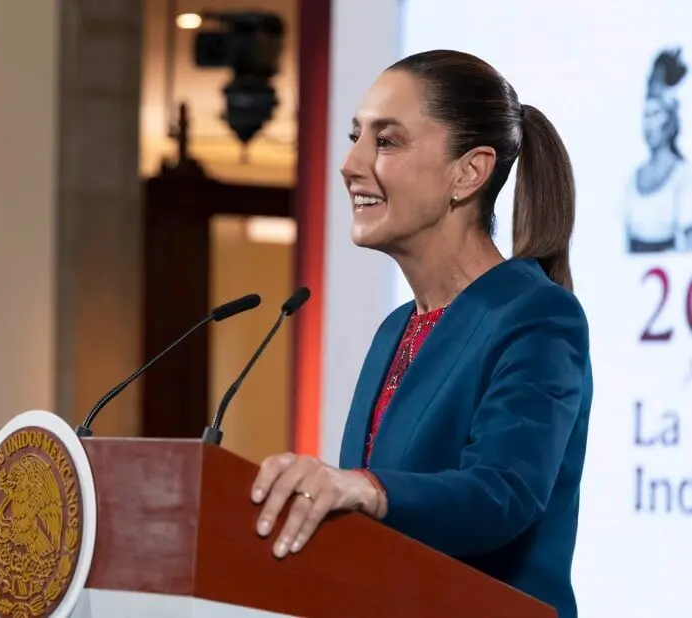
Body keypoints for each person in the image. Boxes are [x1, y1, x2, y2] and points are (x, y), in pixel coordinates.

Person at [250, 50, 592, 618]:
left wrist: (366, 488)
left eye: (386, 142)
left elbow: (502, 492)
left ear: (469, 172)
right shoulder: (393, 331)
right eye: (356, 136)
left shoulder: (536, 316)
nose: (350, 163)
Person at [624, 47, 692, 253]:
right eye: (646, 114)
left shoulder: (684, 177)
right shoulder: (633, 178)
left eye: (656, 114)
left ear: (671, 118)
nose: (649, 124)